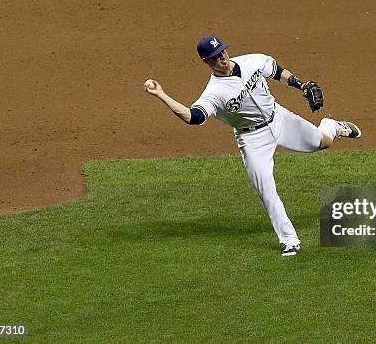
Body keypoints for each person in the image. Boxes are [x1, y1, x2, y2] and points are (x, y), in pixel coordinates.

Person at [144, 35, 361, 256]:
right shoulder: (214, 92)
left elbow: (276, 70)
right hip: (252, 140)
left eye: (222, 52)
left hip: (279, 118)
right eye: (215, 57)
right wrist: (162, 95)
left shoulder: (252, 61)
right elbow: (193, 117)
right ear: (206, 61)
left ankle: (331, 126)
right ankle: (290, 241)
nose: (222, 59)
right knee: (266, 190)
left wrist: (300, 84)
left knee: (323, 142)